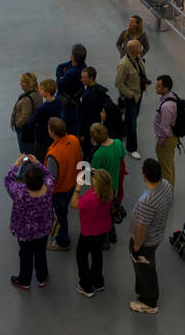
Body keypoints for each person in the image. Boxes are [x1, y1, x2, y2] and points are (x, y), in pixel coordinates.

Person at [128, 158, 173, 314]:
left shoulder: (148, 201)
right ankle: (141, 291)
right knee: (144, 267)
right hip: (157, 234)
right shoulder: (166, 185)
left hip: (146, 243)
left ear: (144, 175)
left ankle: (149, 302)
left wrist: (136, 248)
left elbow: (142, 229)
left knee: (146, 269)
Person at [4, 154, 54, 290]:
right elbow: (49, 174)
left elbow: (8, 180)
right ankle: (42, 277)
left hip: (24, 232)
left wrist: (17, 164)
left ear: (25, 181)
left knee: (25, 255)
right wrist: (37, 163)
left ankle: (24, 280)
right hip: (43, 229)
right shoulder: (48, 187)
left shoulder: (19, 192)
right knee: (41, 253)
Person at [71, 168, 113, 296]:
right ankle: (98, 281)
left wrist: (78, 187)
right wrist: (97, 172)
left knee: (81, 254)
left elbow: (73, 204)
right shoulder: (109, 192)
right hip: (103, 228)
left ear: (97, 184)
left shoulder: (90, 198)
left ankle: (86, 285)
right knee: (97, 253)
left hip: (89, 231)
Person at [44, 118, 82, 251]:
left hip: (59, 191)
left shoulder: (53, 154)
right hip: (72, 185)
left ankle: (63, 242)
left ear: (53, 133)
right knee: (63, 212)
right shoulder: (74, 139)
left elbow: (51, 178)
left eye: (48, 128)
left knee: (61, 216)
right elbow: (80, 158)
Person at [88, 122, 125, 246]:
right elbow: (122, 156)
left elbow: (94, 176)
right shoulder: (118, 143)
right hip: (114, 185)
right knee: (111, 209)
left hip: (102, 189)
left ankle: (104, 242)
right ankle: (113, 235)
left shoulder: (98, 155)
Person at [115, 39, 149, 159]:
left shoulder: (137, 58)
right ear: (134, 50)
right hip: (131, 97)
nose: (141, 47)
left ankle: (123, 132)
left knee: (132, 117)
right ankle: (131, 148)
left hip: (138, 94)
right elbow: (118, 83)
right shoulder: (124, 65)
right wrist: (130, 94)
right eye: (140, 46)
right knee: (132, 122)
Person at [76, 66, 111, 162]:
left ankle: (87, 176)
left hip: (88, 130)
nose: (81, 79)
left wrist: (81, 133)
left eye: (84, 77)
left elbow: (85, 117)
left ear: (91, 78)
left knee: (87, 154)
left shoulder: (89, 96)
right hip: (97, 125)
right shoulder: (99, 89)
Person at [55, 43, 87, 138]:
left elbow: (59, 84)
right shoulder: (83, 66)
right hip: (75, 100)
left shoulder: (72, 73)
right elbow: (60, 66)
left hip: (69, 104)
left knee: (69, 127)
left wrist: (60, 77)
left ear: (73, 56)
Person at [27, 78, 62, 162]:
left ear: (47, 92)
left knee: (42, 162)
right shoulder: (58, 100)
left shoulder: (42, 108)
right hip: (55, 137)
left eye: (41, 89)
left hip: (42, 140)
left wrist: (36, 123)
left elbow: (31, 123)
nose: (38, 90)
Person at [153, 74, 179, 188]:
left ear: (166, 88)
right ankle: (170, 187)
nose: (156, 87)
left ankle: (167, 192)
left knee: (165, 168)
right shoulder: (171, 97)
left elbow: (165, 128)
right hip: (171, 138)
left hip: (166, 140)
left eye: (158, 86)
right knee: (169, 164)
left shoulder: (166, 106)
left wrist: (160, 142)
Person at [10, 71, 42, 155]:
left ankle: (28, 167)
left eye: (22, 82)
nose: (20, 83)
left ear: (28, 84)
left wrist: (17, 124)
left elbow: (25, 116)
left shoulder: (27, 99)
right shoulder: (37, 94)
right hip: (33, 129)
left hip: (25, 131)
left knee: (25, 153)